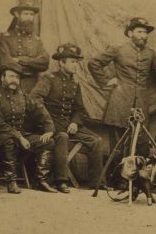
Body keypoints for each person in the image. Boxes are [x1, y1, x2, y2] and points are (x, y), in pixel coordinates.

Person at [0, 62, 71, 194]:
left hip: (19, 136)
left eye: (17, 77)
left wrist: (49, 129)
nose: (14, 80)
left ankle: (40, 180)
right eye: (11, 76)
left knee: (47, 142)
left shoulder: (23, 96)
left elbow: (41, 110)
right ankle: (11, 182)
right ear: (2, 78)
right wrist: (20, 137)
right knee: (8, 140)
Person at [31, 43, 104, 189]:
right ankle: (61, 180)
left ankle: (97, 183)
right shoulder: (49, 79)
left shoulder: (75, 83)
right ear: (61, 63)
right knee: (62, 137)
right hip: (49, 122)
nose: (76, 65)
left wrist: (75, 122)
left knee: (96, 140)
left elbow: (79, 108)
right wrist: (47, 122)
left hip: (67, 123)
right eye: (72, 61)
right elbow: (35, 99)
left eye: (76, 61)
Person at [87, 17, 156, 132]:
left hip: (141, 103)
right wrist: (105, 81)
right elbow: (94, 63)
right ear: (130, 33)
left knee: (140, 137)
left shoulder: (150, 53)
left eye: (145, 32)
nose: (143, 35)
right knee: (118, 137)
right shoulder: (118, 49)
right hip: (120, 101)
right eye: (140, 32)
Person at [0, 0, 49, 93]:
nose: (29, 18)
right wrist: (33, 63)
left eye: (32, 14)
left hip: (33, 87)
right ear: (17, 14)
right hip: (13, 85)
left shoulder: (36, 40)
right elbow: (6, 63)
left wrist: (20, 60)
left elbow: (44, 62)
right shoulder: (7, 38)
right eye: (26, 14)